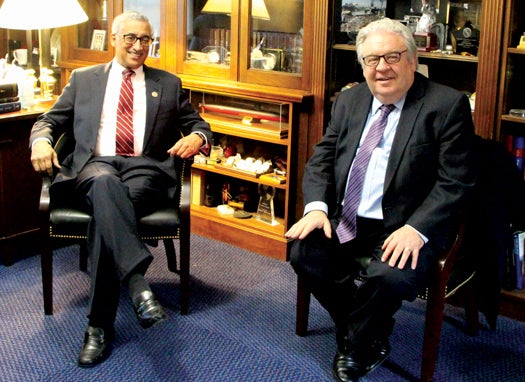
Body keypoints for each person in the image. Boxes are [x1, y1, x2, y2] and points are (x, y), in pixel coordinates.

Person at [285, 18, 476, 382]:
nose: (382, 68)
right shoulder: (350, 99)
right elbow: (322, 158)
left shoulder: (446, 105)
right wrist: (316, 208)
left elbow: (456, 182)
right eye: (372, 60)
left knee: (389, 277)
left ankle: (356, 343)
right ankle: (365, 332)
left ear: (412, 59)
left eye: (392, 56)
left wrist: (416, 229)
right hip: (350, 217)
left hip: (408, 223)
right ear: (362, 65)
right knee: (303, 252)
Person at [29, 11, 212, 367]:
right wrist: (40, 141)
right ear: (113, 38)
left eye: (145, 39)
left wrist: (196, 137)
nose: (138, 46)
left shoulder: (169, 83)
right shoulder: (83, 79)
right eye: (130, 37)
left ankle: (99, 327)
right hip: (94, 165)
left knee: (106, 210)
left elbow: (199, 124)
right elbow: (48, 120)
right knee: (104, 184)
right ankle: (137, 284)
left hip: (145, 170)